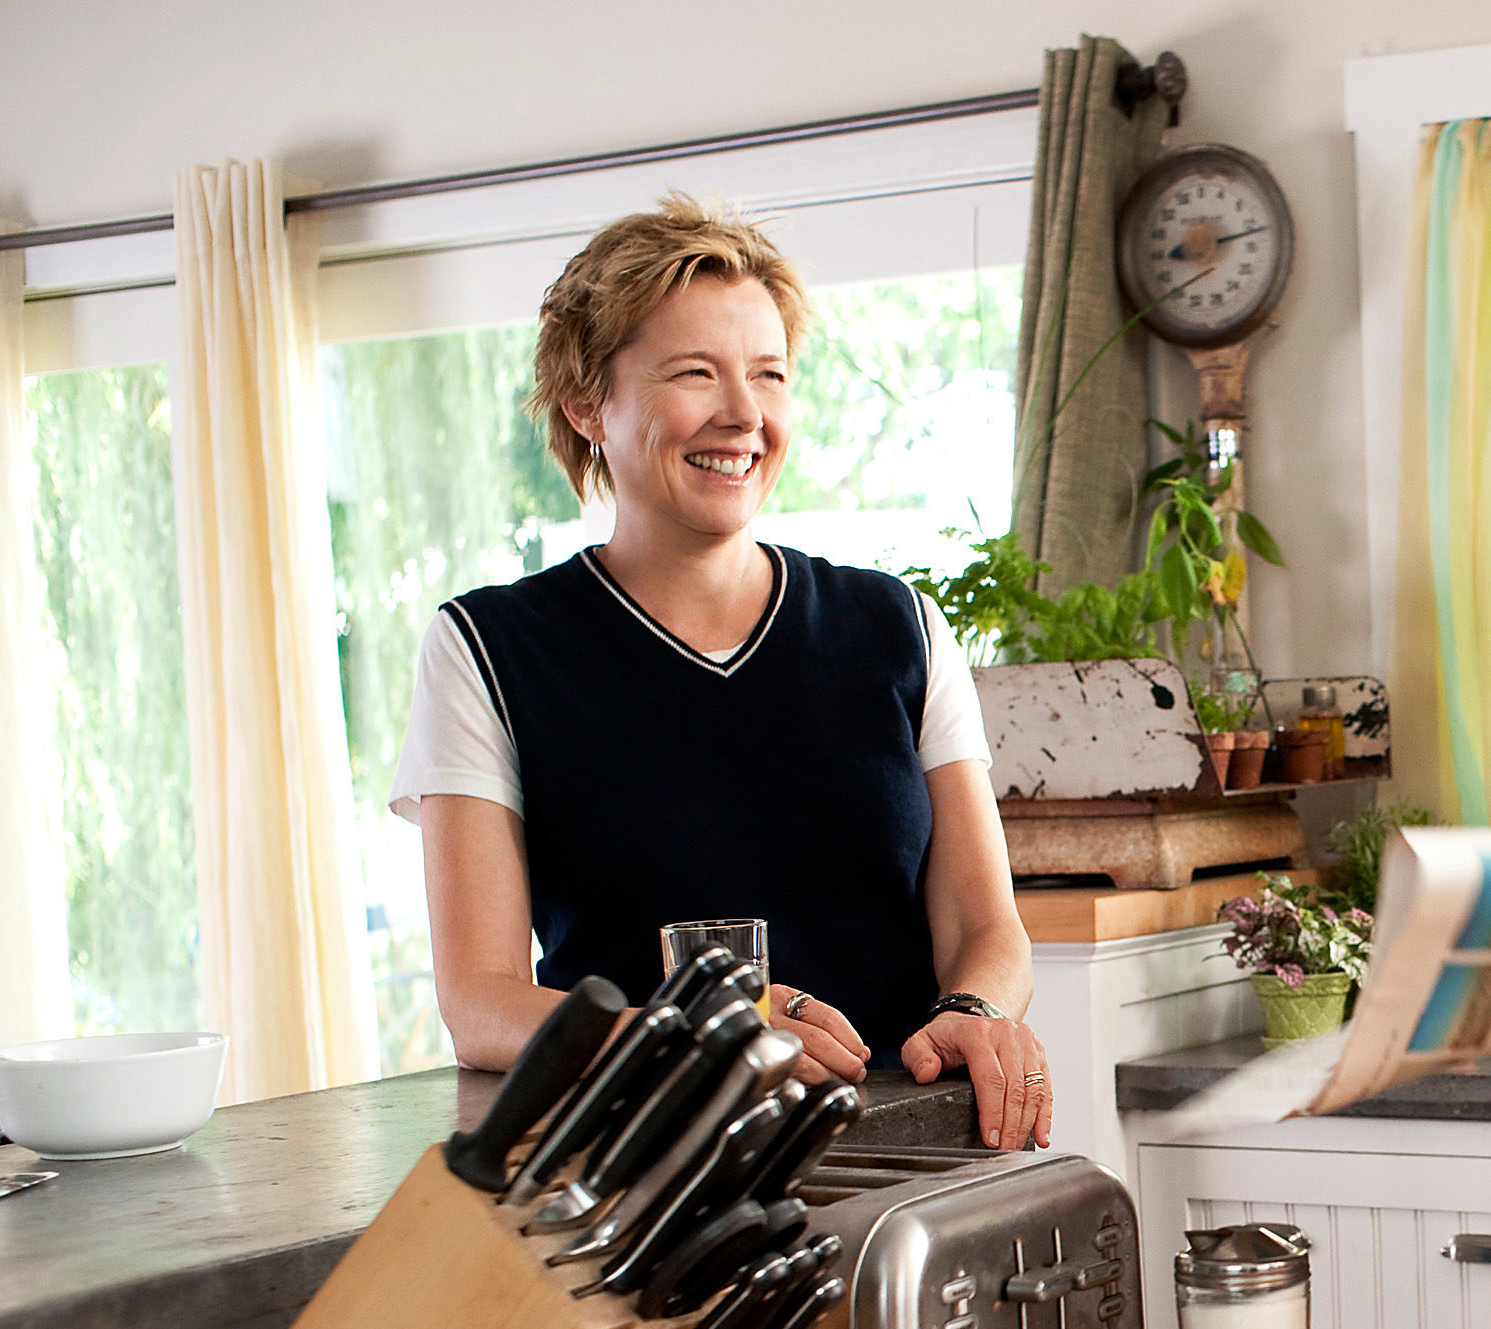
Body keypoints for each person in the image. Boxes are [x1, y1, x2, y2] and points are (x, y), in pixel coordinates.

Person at [392, 194, 1052, 1151]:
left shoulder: (897, 625)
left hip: (911, 1153)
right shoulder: (488, 648)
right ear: (588, 405)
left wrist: (977, 1009)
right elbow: (482, 1006)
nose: (744, 415)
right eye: (697, 374)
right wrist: (684, 1043)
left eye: (770, 375)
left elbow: (987, 929)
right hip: (649, 1175)